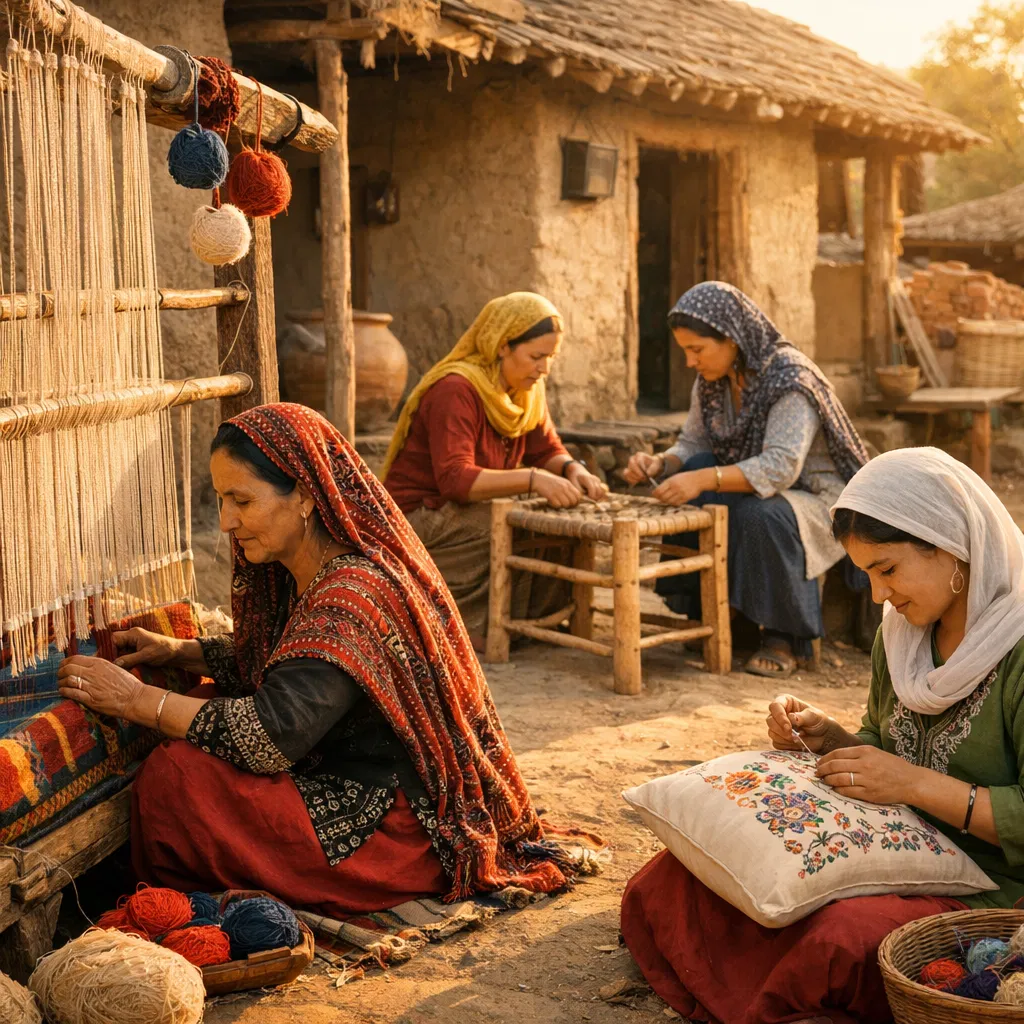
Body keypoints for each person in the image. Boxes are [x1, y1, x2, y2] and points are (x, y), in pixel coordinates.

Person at [55, 403, 583, 917]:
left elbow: (271, 734)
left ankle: (176, 901)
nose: (225, 522)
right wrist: (182, 652)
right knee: (203, 703)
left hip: (389, 827)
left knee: (177, 776)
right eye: (220, 500)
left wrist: (134, 698)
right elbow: (283, 661)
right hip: (337, 764)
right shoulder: (303, 570)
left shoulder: (350, 596)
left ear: (305, 496)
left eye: (241, 500)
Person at [621, 447, 1024, 1024]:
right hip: (897, 846)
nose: (879, 595)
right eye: (866, 575)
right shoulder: (904, 636)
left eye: (887, 569)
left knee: (839, 939)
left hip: (993, 881)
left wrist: (914, 785)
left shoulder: (1019, 649)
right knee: (677, 877)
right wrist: (830, 737)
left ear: (952, 545)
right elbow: (888, 739)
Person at [624, 282, 868, 678]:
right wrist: (661, 464)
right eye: (685, 350)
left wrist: (704, 477)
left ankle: (783, 637)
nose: (690, 362)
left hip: (817, 496)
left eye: (697, 350)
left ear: (733, 339)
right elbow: (693, 442)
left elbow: (780, 467)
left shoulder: (791, 380)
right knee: (694, 472)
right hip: (757, 486)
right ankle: (725, 619)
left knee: (761, 514)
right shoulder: (712, 380)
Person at [384, 291, 607, 647]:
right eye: (536, 357)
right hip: (422, 515)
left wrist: (571, 470)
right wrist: (534, 480)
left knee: (561, 521)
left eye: (550, 358)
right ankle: (480, 628)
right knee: (516, 524)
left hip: (467, 507)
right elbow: (456, 480)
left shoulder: (525, 390)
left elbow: (544, 447)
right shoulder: (455, 389)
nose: (544, 368)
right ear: (503, 346)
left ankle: (535, 621)